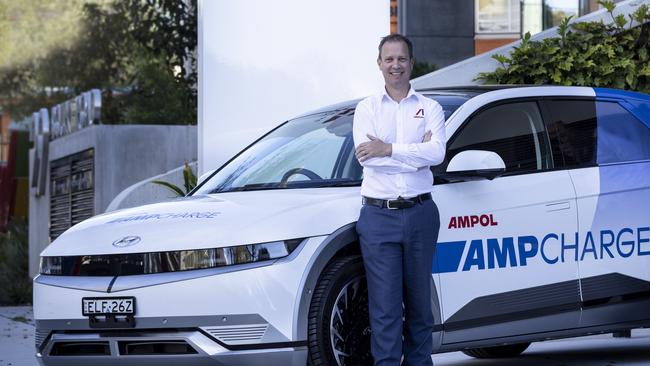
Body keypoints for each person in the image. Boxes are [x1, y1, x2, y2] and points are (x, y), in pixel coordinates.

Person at [353, 34, 446, 366]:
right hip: (379, 218)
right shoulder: (367, 109)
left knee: (420, 305)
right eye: (389, 59)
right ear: (379, 64)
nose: (396, 65)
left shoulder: (430, 108)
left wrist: (388, 148)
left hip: (421, 213)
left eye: (401, 59)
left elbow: (436, 153)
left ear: (411, 62)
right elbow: (367, 158)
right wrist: (415, 153)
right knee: (385, 309)